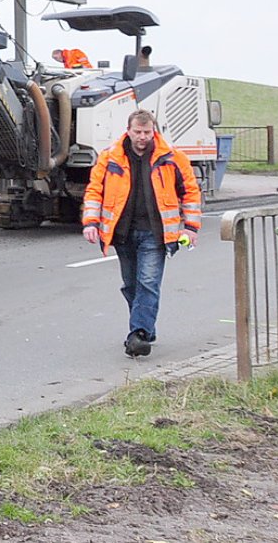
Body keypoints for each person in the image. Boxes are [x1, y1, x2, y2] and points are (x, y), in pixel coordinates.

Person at [81, 109, 202, 357]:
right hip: (122, 233)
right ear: (128, 131)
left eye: (147, 132)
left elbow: (190, 193)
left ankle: (138, 335)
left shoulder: (172, 158)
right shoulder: (110, 158)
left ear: (153, 131)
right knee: (131, 285)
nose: (142, 137)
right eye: (138, 132)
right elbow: (95, 191)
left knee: (148, 283)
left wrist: (190, 228)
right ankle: (146, 325)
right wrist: (91, 223)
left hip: (155, 234)